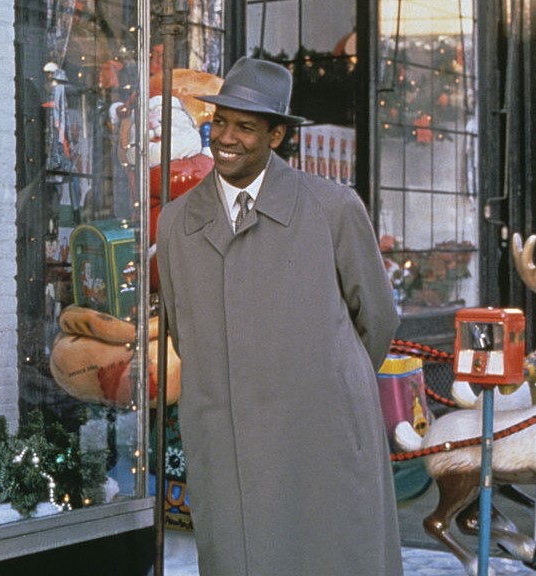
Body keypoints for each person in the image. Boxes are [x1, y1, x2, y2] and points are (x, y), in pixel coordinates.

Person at [156, 57, 402, 575]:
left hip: (320, 435)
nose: (227, 137)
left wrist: (323, 379)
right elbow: (182, 324)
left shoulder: (332, 208)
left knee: (331, 556)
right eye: (220, 121)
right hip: (223, 436)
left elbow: (376, 319)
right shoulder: (177, 221)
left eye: (246, 127)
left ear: (277, 136)